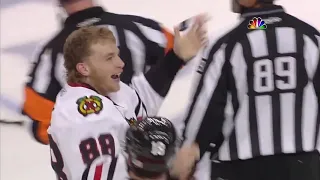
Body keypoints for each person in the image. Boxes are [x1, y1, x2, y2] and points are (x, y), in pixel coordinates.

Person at [171, 0, 320, 180]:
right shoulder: (311, 37)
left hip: (244, 168)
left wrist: (190, 149)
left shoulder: (228, 44)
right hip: (305, 166)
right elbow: (265, 24)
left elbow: (206, 106)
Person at [48, 19, 207, 180]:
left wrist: (175, 57)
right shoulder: (87, 118)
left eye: (117, 55)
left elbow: (140, 99)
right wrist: (174, 174)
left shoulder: (104, 93)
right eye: (109, 58)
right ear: (84, 68)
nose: (120, 63)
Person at [22, 0, 175, 145]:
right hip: (150, 152)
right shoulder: (138, 28)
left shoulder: (51, 53)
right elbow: (181, 53)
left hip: (93, 162)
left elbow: (39, 124)